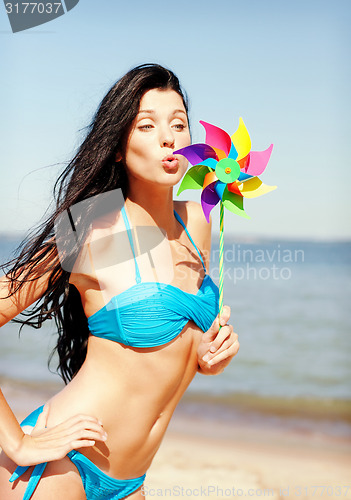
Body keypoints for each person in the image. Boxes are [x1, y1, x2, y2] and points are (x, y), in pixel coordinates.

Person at [0, 63, 240, 500]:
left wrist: (209, 354)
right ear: (116, 148)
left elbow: (172, 347)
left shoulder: (199, 223)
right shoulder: (94, 230)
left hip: (131, 481)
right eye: (147, 125)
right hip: (61, 469)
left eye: (179, 123)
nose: (169, 137)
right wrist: (16, 440)